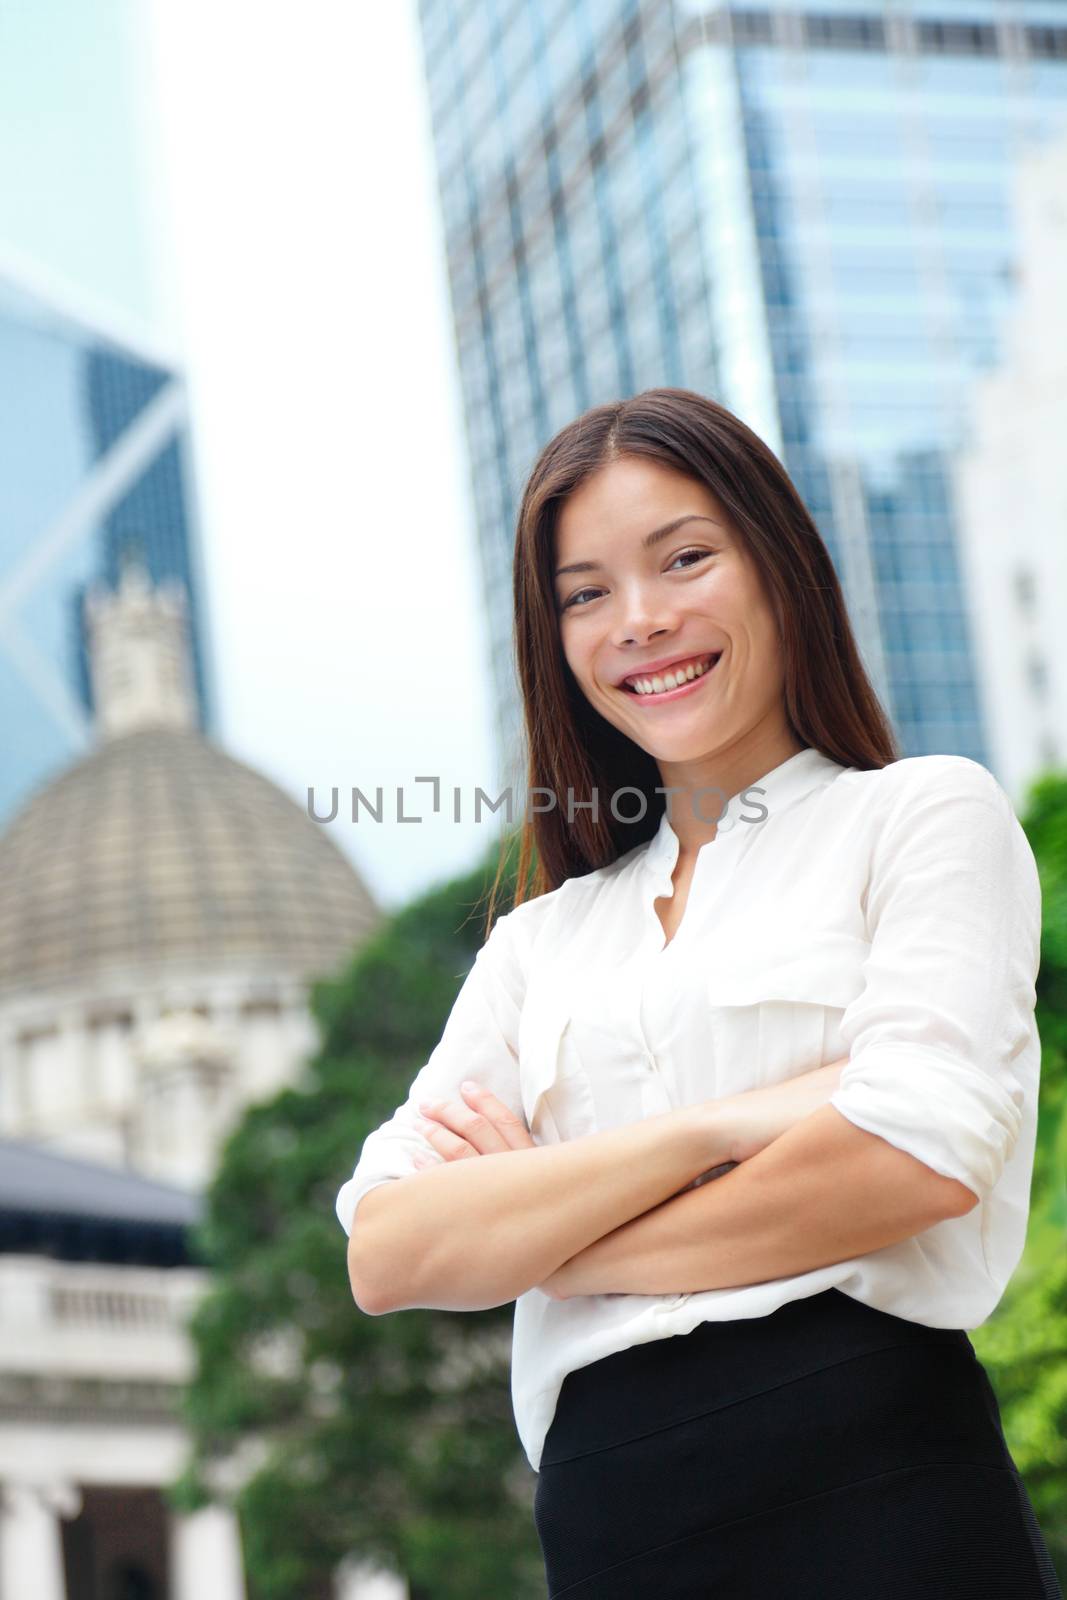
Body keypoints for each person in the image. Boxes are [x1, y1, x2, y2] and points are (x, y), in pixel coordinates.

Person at [336, 388, 1062, 1597]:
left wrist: (558, 1242)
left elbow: (910, 1157)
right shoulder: (538, 943)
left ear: (777, 566)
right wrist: (722, 1127)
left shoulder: (922, 815)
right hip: (613, 1521)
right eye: (585, 592)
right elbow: (392, 1248)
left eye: (683, 559)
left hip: (874, 1473)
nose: (640, 620)